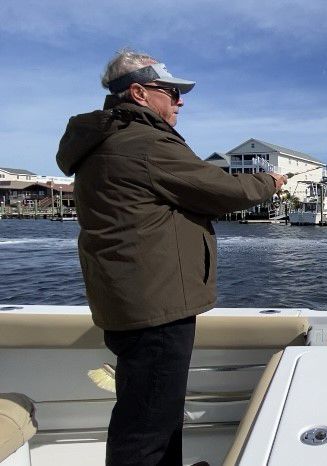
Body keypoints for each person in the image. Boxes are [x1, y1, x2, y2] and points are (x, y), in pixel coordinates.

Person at [56, 49, 287, 465]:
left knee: (154, 411)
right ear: (141, 92)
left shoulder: (106, 141)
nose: (180, 101)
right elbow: (225, 191)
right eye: (172, 91)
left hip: (132, 299)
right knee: (146, 427)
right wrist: (269, 181)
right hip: (155, 306)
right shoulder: (145, 142)